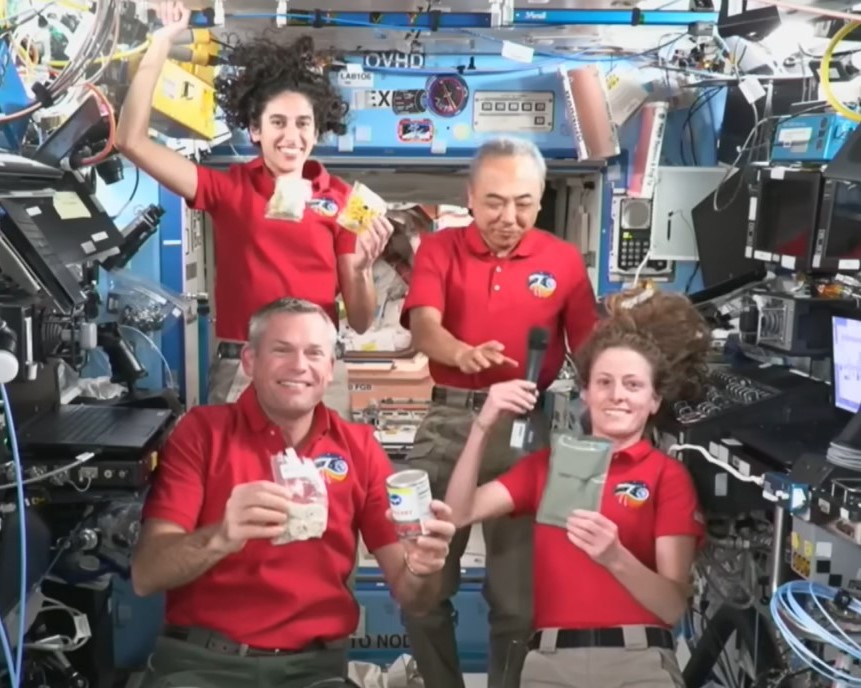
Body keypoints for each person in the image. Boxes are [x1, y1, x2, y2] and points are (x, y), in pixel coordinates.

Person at [131, 297, 456, 688]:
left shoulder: (359, 448)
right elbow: (146, 576)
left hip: (312, 671)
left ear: (330, 368)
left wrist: (424, 567)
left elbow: (413, 597)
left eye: (314, 353)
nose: (300, 366)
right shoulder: (202, 434)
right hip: (201, 664)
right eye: (282, 350)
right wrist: (221, 537)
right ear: (250, 361)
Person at [116, 1, 393, 410]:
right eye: (278, 122)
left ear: (317, 131)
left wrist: (364, 269)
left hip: (317, 369)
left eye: (303, 124)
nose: (291, 136)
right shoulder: (230, 189)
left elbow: (361, 320)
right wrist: (161, 43)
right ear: (255, 130)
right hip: (243, 368)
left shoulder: (344, 201)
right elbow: (131, 141)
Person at [399, 136, 599, 688]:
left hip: (529, 432)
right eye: (493, 202)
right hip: (451, 423)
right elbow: (423, 327)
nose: (508, 217)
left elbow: (590, 352)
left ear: (540, 199)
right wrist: (463, 353)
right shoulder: (440, 249)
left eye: (523, 203)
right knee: (421, 584)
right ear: (469, 195)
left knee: (518, 600)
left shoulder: (563, 262)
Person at [444, 286, 708, 688]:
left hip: (638, 663)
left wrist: (615, 557)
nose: (617, 395)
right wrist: (484, 423)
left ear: (655, 400)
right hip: (550, 664)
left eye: (633, 385)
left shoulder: (666, 477)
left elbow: (672, 606)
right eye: (604, 382)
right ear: (585, 392)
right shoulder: (548, 466)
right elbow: (461, 511)